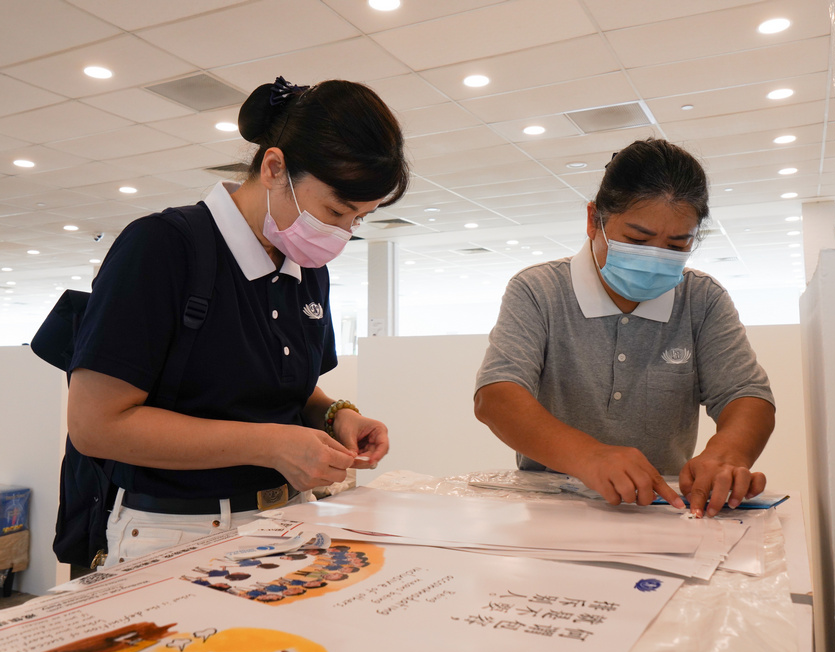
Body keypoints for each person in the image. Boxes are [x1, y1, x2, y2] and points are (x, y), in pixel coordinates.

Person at [66, 76, 409, 565]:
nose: (342, 233)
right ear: (274, 167)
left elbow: (283, 383)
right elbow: (96, 426)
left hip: (291, 518)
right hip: (178, 531)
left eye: (360, 218)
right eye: (336, 210)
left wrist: (336, 416)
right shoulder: (164, 247)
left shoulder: (305, 267)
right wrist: (270, 444)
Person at [474, 139, 775, 518]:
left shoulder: (702, 299)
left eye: (676, 245)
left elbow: (746, 395)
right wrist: (588, 456)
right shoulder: (539, 290)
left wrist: (724, 457)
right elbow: (497, 396)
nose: (655, 259)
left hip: (663, 507)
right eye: (637, 240)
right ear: (592, 220)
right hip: (553, 504)